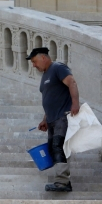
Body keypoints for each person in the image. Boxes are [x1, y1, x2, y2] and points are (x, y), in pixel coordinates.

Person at [26, 47, 80, 192]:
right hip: (52, 118)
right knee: (52, 148)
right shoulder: (45, 75)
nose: (34, 65)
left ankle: (62, 182)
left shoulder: (57, 67)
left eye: (35, 61)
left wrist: (75, 103)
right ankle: (62, 180)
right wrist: (45, 119)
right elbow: (50, 99)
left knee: (58, 146)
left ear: (43, 58)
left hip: (62, 116)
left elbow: (72, 82)